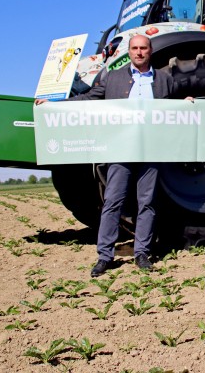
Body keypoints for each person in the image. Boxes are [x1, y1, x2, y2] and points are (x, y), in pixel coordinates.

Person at [36, 34, 173, 276]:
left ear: (150, 51)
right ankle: (105, 255)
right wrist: (55, 105)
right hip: (120, 149)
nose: (139, 52)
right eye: (135, 48)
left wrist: (191, 102)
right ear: (129, 52)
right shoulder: (114, 78)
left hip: (151, 149)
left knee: (147, 202)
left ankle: (142, 253)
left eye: (143, 48)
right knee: (113, 201)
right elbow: (89, 99)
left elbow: (177, 106)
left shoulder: (164, 79)